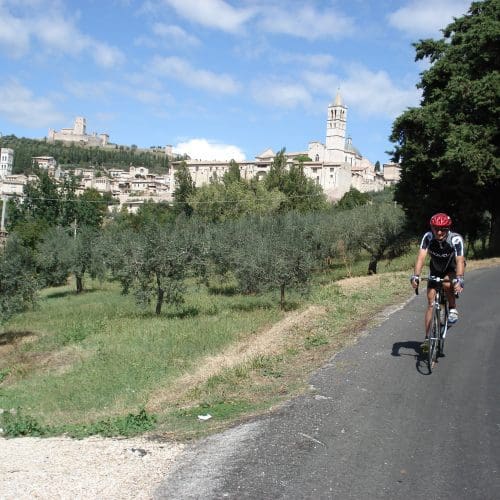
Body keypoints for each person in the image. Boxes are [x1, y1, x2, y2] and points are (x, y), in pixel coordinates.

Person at [410, 213, 465, 352]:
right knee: (430, 302)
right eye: (436, 229)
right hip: (436, 269)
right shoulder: (428, 237)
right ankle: (427, 338)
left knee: (447, 284)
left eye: (443, 229)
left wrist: (459, 278)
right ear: (432, 228)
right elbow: (421, 257)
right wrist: (416, 276)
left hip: (452, 268)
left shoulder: (455, 239)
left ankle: (452, 308)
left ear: (448, 229)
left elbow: (459, 260)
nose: (439, 232)